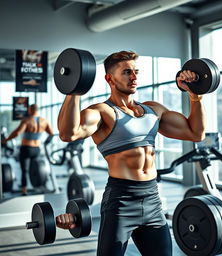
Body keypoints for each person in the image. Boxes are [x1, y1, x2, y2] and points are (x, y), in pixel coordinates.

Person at [56, 51, 206, 256]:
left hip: (153, 200)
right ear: (109, 78)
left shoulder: (153, 110)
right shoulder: (102, 112)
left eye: (136, 71)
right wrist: (74, 89)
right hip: (121, 202)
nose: (134, 77)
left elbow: (195, 133)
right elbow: (68, 133)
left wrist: (195, 96)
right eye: (127, 72)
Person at [2, 104, 53, 195]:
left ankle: (24, 190)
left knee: (24, 170)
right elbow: (51, 134)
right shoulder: (44, 121)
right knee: (36, 169)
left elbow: (17, 132)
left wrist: (6, 140)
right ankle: (38, 186)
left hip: (27, 148)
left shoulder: (27, 120)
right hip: (37, 149)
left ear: (30, 110)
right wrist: (46, 143)